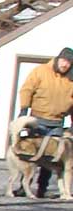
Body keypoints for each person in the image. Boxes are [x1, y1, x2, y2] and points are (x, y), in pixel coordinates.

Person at [16, 48, 73, 197]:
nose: (65, 65)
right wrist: (23, 110)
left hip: (57, 122)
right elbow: (27, 89)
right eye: (64, 61)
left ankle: (42, 188)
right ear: (58, 59)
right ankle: (24, 186)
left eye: (69, 63)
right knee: (31, 152)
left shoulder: (71, 78)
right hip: (38, 118)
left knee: (51, 157)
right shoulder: (41, 71)